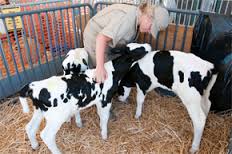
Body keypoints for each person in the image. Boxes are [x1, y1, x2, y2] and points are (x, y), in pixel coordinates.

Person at [83, 3, 169, 83]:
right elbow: (101, 38)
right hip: (95, 39)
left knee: (115, 70)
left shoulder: (137, 18)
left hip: (108, 43)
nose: (149, 32)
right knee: (103, 75)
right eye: (151, 27)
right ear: (148, 16)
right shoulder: (126, 20)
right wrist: (100, 67)